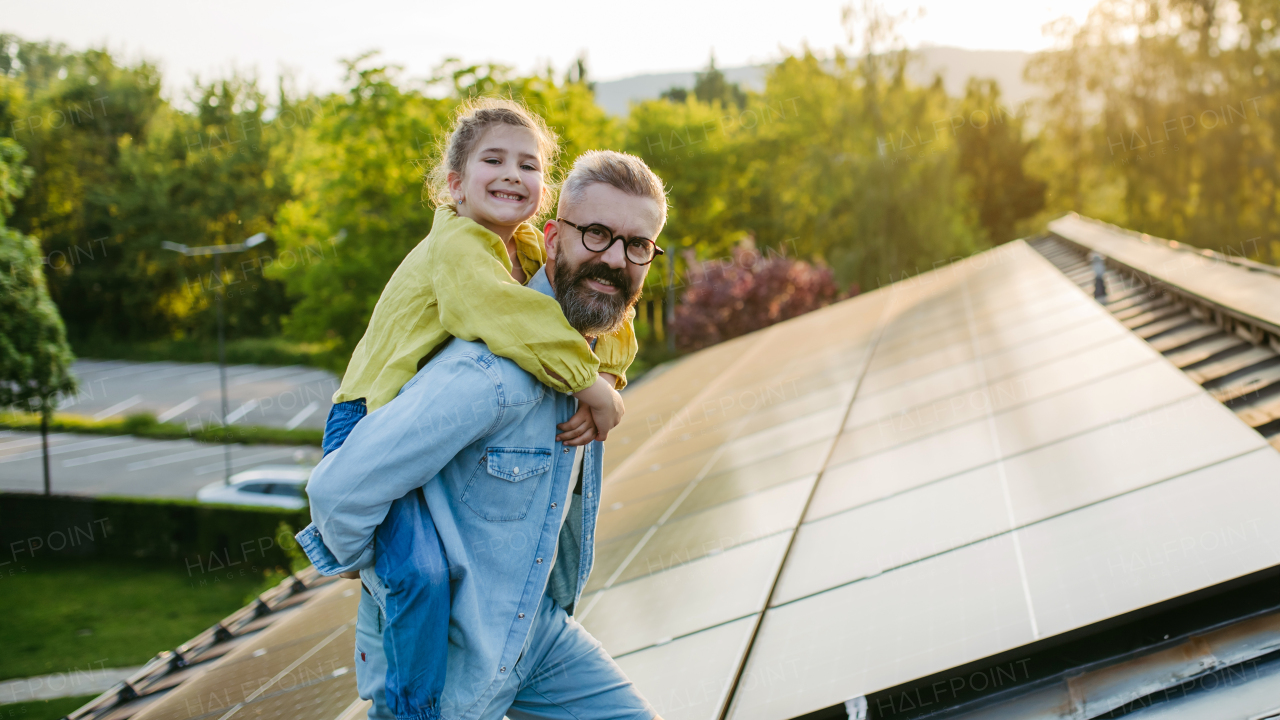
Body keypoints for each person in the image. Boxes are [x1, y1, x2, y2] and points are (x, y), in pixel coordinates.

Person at [299, 149, 669, 720]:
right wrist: (373, 572)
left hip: (534, 634)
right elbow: (337, 491)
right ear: (550, 239)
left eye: (636, 245)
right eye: (596, 234)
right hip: (450, 660)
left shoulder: (591, 363)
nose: (616, 260)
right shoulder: (489, 375)